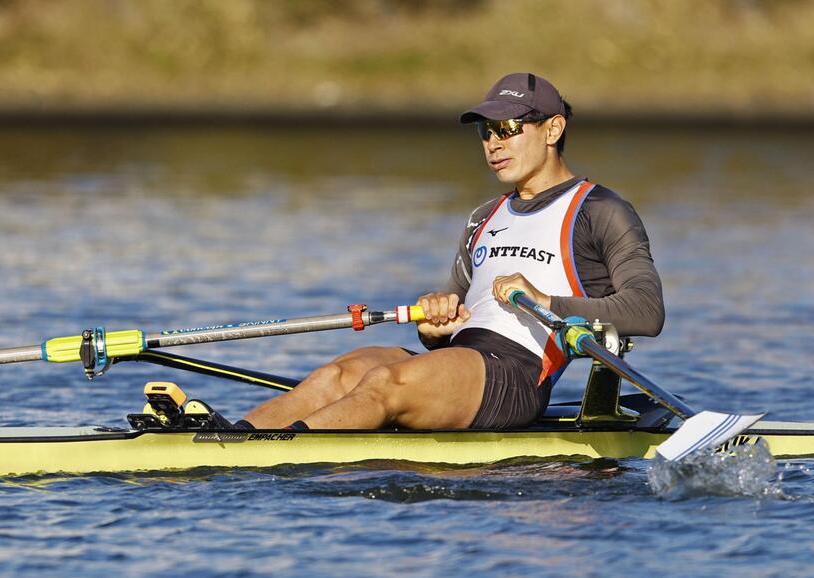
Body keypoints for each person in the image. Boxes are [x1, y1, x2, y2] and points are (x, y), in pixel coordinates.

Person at [243, 73, 664, 431]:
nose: (493, 144)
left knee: (385, 383)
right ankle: (226, 437)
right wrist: (433, 322)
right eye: (486, 132)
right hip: (460, 357)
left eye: (508, 129)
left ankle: (274, 451)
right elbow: (443, 329)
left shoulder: (600, 211)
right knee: (336, 376)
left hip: (516, 375)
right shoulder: (483, 217)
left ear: (553, 130)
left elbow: (647, 311)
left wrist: (544, 301)